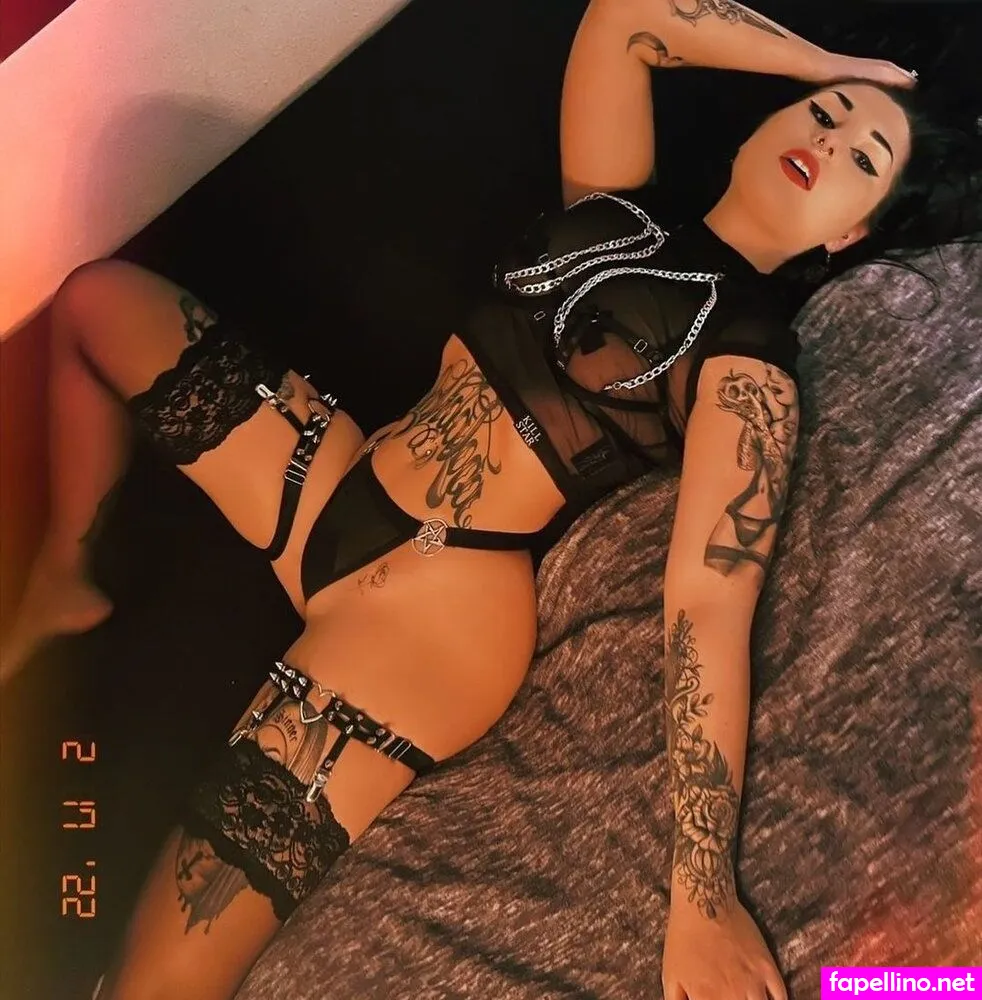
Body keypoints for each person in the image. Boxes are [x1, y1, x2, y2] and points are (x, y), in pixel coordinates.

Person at [2, 0, 978, 997]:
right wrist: (827, 59)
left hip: (436, 616)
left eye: (863, 159)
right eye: (825, 113)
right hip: (339, 482)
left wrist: (702, 893)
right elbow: (625, 19)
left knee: (159, 976)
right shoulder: (615, 207)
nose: (830, 139)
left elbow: (709, 606)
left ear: (850, 231)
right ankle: (66, 576)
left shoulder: (750, 365)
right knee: (95, 302)